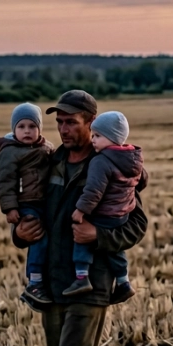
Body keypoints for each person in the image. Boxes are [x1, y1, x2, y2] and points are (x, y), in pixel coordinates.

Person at [12, 90, 148, 346]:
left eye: (71, 121)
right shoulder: (51, 161)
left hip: (91, 283)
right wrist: (20, 234)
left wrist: (97, 236)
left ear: (91, 123)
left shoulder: (110, 164)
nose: (64, 128)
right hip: (53, 280)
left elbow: (136, 225)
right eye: (59, 121)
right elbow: (32, 211)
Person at [64, 111, 144, 305]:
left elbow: (94, 191)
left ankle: (82, 277)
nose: (93, 140)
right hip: (121, 214)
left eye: (98, 136)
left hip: (104, 213)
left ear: (112, 138)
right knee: (114, 250)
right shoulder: (133, 159)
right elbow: (141, 180)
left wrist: (81, 210)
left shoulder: (100, 161)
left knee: (82, 238)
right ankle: (123, 281)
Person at [0, 103, 55, 304]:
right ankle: (34, 281)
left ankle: (42, 279)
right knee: (38, 237)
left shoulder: (47, 148)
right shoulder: (10, 152)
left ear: (40, 129)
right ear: (14, 129)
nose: (27, 131)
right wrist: (10, 208)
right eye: (21, 127)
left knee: (46, 238)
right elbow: (5, 181)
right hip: (26, 203)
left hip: (44, 202)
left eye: (32, 126)